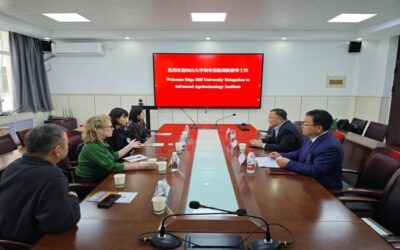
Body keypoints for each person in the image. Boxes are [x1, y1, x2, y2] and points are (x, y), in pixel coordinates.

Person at [0, 124, 80, 244]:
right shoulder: (53, 176)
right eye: (67, 144)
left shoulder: (13, 166)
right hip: (33, 243)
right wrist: (73, 198)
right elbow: (59, 223)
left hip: (7, 239)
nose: (68, 146)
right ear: (57, 150)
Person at [270, 109, 343, 190]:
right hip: (307, 179)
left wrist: (288, 163)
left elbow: (315, 170)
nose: (302, 126)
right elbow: (300, 152)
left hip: (324, 189)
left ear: (319, 128)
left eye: (306, 124)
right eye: (302, 123)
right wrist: (281, 155)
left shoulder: (330, 146)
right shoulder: (310, 137)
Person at [75, 115, 157, 183]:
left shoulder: (100, 142)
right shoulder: (92, 147)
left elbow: (112, 156)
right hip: (91, 182)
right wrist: (139, 166)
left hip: (102, 176)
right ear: (98, 130)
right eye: (110, 127)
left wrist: (129, 147)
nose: (113, 128)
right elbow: (112, 166)